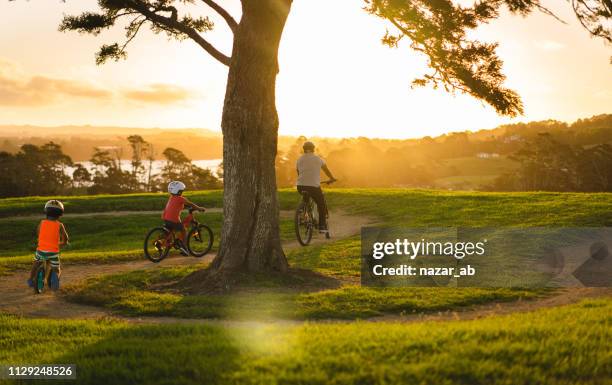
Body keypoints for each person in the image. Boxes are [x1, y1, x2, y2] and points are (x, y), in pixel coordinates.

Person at [296, 141, 336, 233]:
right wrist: (332, 178)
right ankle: (322, 226)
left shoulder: (299, 159)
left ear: (304, 149)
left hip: (300, 185)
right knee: (321, 204)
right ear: (313, 149)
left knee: (306, 198)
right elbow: (326, 170)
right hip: (314, 186)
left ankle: (303, 215)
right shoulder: (318, 159)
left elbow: (299, 173)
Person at [28, 200, 69, 290]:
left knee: (36, 263)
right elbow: (65, 239)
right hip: (53, 252)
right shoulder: (60, 225)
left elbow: (38, 233)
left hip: (40, 250)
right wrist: (62, 243)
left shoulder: (42, 223)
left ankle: (30, 279)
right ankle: (54, 279)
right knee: (56, 268)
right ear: (60, 213)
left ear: (46, 211)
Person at [163, 181, 206, 255]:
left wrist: (186, 206)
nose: (182, 192)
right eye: (181, 191)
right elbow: (190, 204)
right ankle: (184, 248)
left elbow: (177, 206)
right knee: (183, 230)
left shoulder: (171, 198)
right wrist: (199, 208)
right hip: (173, 220)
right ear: (179, 191)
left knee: (170, 232)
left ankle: (167, 248)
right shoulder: (180, 199)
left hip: (166, 218)